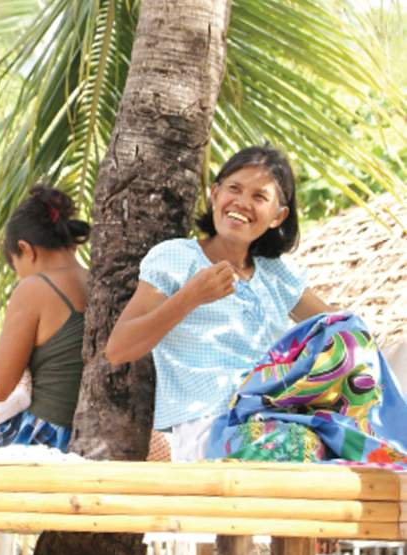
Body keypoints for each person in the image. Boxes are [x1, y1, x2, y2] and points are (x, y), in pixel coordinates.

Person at [104, 144, 334, 461]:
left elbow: (338, 329)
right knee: (299, 452)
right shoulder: (176, 257)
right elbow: (118, 349)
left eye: (259, 197)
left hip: (277, 420)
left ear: (277, 216)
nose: (241, 202)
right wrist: (189, 297)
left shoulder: (275, 274)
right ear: (215, 194)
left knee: (352, 445)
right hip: (209, 428)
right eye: (234, 189)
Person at [0, 184, 90, 454]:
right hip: (88, 434)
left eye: (17, 268)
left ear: (26, 249)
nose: (20, 278)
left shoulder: (35, 288)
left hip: (44, 435)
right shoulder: (97, 281)